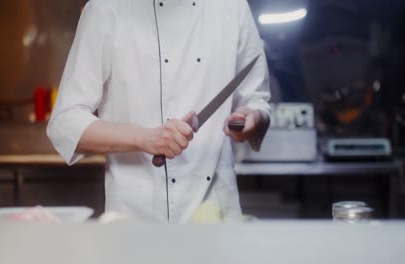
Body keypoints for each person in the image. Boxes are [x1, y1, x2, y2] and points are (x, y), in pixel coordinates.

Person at [47, 0, 271, 223]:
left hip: (215, 212)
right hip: (134, 218)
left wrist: (253, 119)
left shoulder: (232, 7)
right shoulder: (105, 9)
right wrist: (146, 138)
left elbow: (256, 100)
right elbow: (65, 123)